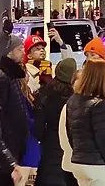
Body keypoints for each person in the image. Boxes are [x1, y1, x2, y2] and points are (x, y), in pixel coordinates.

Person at [54, 32, 105, 133]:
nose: (89, 58)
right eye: (87, 55)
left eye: (93, 55)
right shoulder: (82, 74)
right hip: (85, 131)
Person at [63, 61, 105, 186]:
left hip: (79, 163)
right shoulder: (98, 104)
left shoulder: (73, 100)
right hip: (97, 164)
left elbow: (69, 133)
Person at [0, 35, 37, 186]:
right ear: (9, 51)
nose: (23, 52)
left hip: (15, 136)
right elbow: (3, 110)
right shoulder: (3, 75)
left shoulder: (12, 73)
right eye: (20, 49)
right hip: (10, 137)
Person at [33, 58, 78, 186]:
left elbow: (38, 130)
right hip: (72, 153)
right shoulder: (77, 99)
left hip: (49, 152)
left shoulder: (43, 95)